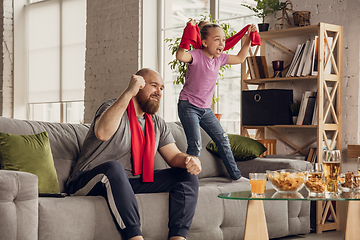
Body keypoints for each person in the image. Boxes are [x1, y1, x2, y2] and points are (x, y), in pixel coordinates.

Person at [66, 68, 202, 240]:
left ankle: (178, 238)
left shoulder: (157, 123)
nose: (158, 92)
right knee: (115, 168)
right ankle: (135, 237)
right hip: (87, 180)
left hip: (129, 182)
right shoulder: (112, 108)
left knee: (186, 176)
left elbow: (174, 157)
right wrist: (128, 92)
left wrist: (190, 160)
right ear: (138, 85)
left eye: (161, 88)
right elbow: (102, 133)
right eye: (154, 86)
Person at [176, 19, 258, 181]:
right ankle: (189, 182)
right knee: (195, 144)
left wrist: (248, 39)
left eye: (223, 39)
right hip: (188, 106)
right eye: (217, 39)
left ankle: (236, 177)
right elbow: (180, 55)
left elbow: (241, 58)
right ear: (204, 42)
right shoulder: (196, 55)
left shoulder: (219, 59)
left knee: (223, 139)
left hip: (205, 110)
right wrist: (187, 32)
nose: (222, 43)